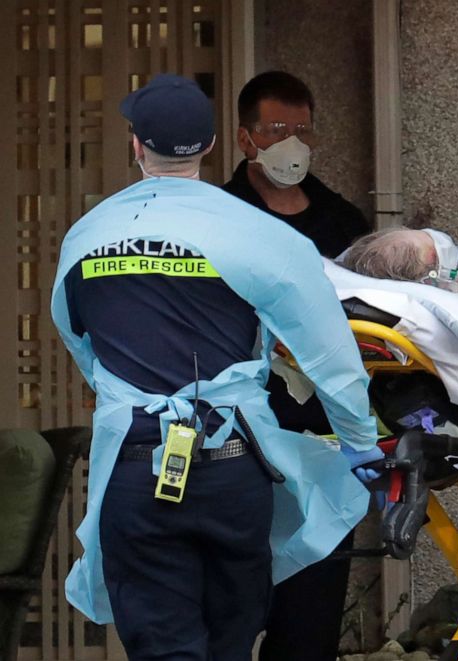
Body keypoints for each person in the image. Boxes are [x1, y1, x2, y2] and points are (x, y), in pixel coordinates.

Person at [51, 73, 382, 661]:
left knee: (163, 644)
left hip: (136, 467)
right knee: (229, 642)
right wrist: (360, 443)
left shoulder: (86, 237)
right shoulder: (261, 234)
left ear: (135, 145)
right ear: (212, 146)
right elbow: (331, 356)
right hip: (233, 471)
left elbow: (81, 341)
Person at [222, 70, 369, 661]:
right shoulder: (220, 216)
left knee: (310, 624)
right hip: (236, 440)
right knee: (227, 612)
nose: (292, 142)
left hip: (323, 444)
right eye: (276, 129)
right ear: (244, 139)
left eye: (302, 129)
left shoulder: (342, 221)